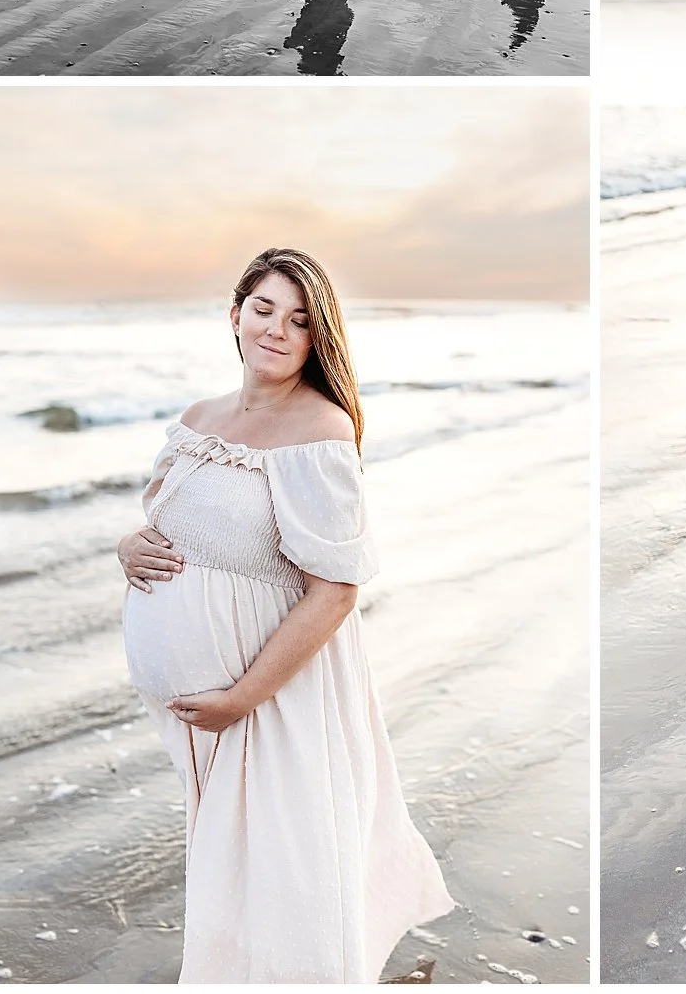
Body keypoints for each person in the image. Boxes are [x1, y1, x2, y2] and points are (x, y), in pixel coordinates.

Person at [116, 248, 454, 981]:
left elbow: (335, 590)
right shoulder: (198, 420)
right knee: (234, 870)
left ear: (316, 338)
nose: (277, 328)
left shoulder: (319, 431)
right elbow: (169, 524)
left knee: (283, 876)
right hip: (202, 714)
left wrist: (242, 697)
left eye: (299, 320)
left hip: (272, 696)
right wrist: (126, 546)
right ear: (234, 314)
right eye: (264, 309)